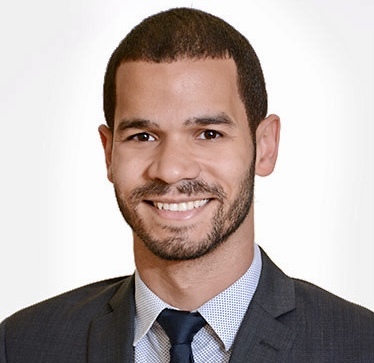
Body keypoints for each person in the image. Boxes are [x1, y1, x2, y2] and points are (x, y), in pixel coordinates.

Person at [0, 7, 373, 363]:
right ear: (108, 152)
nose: (171, 170)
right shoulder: (22, 345)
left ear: (265, 147)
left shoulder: (360, 345)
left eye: (208, 133)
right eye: (143, 136)